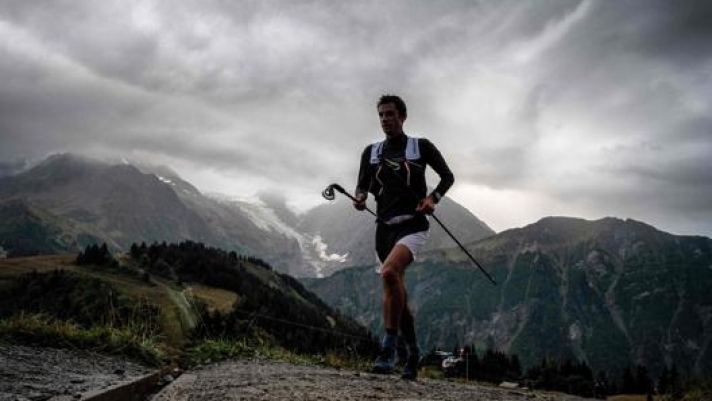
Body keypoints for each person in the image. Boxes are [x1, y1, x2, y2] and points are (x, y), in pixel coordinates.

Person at [353, 94, 454, 380]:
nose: (385, 119)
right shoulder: (370, 152)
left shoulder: (420, 146)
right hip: (383, 229)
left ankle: (387, 350)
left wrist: (432, 198)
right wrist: (359, 198)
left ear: (403, 116)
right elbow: (362, 186)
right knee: (396, 292)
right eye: (381, 115)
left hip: (413, 225)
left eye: (390, 114)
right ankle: (412, 354)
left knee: (388, 273)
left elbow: (447, 176)